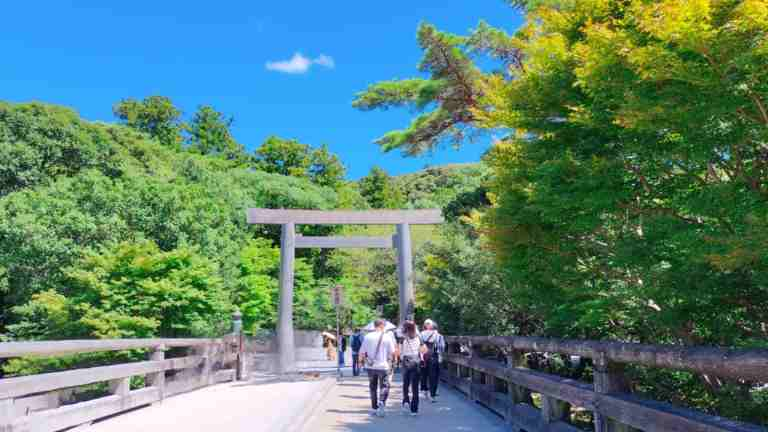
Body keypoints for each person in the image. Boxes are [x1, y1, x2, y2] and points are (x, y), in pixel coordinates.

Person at [360, 319, 397, 417]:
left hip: (370, 366)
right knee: (384, 385)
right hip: (383, 366)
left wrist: (364, 361)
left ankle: (374, 408)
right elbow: (392, 352)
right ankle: (382, 402)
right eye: (384, 325)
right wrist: (393, 362)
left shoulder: (367, 337)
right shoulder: (387, 337)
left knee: (372, 387)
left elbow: (362, 352)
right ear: (381, 326)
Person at [399, 320, 425, 416]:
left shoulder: (402, 339)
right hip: (416, 361)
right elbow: (424, 350)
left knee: (405, 383)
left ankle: (406, 401)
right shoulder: (419, 338)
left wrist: (400, 358)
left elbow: (399, 351)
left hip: (406, 361)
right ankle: (414, 410)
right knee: (415, 386)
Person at [420, 319, 445, 402]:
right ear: (433, 325)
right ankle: (432, 395)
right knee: (433, 375)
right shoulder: (437, 335)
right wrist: (440, 356)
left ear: (425, 325)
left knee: (424, 374)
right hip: (434, 356)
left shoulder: (421, 334)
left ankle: (425, 391)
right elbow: (442, 347)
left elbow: (419, 346)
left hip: (423, 356)